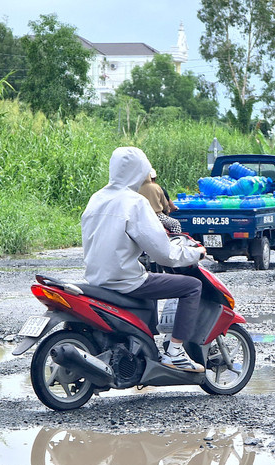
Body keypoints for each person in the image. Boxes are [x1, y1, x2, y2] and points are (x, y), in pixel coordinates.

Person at [82, 146, 206, 372]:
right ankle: (175, 353)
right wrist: (195, 253)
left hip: (95, 280)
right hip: (125, 280)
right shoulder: (135, 202)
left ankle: (143, 345)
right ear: (139, 171)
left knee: (150, 278)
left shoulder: (96, 198)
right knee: (193, 286)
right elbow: (164, 254)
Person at [138, 168, 181, 234]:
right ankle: (175, 241)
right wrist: (167, 211)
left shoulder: (136, 188)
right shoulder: (156, 187)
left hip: (141, 216)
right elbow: (165, 205)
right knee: (175, 224)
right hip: (157, 215)